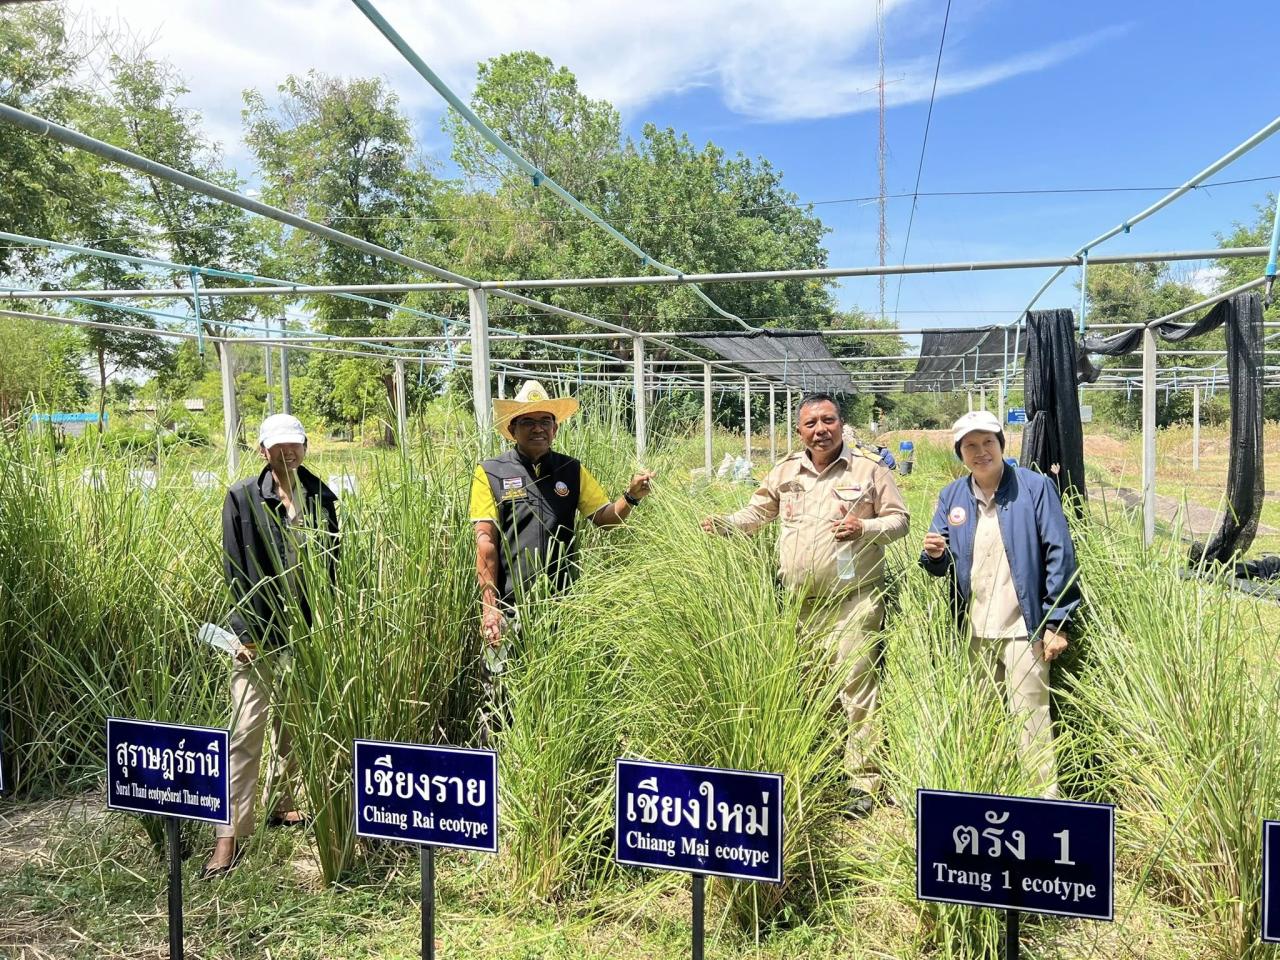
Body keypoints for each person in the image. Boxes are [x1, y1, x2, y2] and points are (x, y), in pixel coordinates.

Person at [702, 393, 910, 815]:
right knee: (812, 691)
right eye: (811, 423)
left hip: (853, 600)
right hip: (798, 607)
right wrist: (724, 524)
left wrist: (864, 525)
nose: (821, 429)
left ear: (841, 423)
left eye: (828, 420)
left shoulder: (869, 469)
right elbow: (756, 514)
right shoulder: (785, 472)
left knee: (856, 686)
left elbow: (900, 521)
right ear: (799, 431)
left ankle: (863, 781)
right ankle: (824, 766)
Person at [203, 414, 340, 878]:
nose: (287, 452)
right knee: (245, 730)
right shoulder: (242, 497)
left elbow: (332, 568)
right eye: (278, 445)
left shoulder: (322, 497)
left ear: (305, 447)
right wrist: (243, 634)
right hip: (257, 636)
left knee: (296, 725)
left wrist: (329, 624)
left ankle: (285, 804)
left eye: (295, 444)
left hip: (305, 631)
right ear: (263, 450)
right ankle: (230, 834)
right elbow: (234, 568)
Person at [469, 381, 654, 720]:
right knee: (500, 690)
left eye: (545, 421)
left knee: (556, 690)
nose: (537, 428)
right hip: (510, 605)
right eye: (528, 421)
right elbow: (486, 542)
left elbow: (604, 519)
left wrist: (631, 497)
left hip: (562, 603)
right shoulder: (490, 472)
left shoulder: (571, 470)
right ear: (513, 429)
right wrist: (489, 608)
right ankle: (500, 754)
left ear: (555, 428)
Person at [920, 410, 1080, 797]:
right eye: (970, 446)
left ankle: (1043, 802)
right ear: (960, 453)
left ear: (1001, 445)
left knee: (1031, 720)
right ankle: (991, 795)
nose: (980, 452)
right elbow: (937, 566)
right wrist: (934, 554)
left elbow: (1060, 552)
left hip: (1024, 630)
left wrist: (1057, 621)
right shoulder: (953, 496)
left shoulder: (1034, 487)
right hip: (973, 630)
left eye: (987, 442)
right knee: (981, 718)